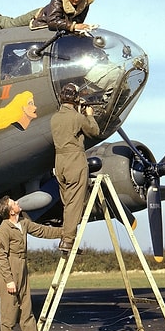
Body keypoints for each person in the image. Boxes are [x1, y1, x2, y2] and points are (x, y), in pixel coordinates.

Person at [0, 195, 63, 331]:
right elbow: (1, 256)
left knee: (26, 305)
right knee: (9, 306)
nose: (18, 203)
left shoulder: (23, 223)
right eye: (14, 203)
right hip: (8, 268)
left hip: (22, 266)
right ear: (11, 211)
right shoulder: (3, 230)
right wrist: (9, 280)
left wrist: (64, 232)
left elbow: (42, 231)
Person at [50, 83, 100, 253]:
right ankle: (68, 241)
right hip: (74, 161)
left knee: (67, 203)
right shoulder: (77, 118)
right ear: (76, 98)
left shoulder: (54, 118)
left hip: (59, 162)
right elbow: (94, 131)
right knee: (75, 203)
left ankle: (67, 237)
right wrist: (89, 115)